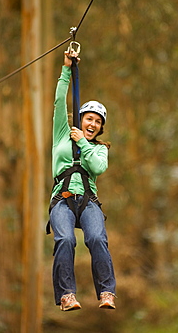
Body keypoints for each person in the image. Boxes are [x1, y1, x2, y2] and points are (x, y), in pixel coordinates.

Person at [48, 50, 116, 311]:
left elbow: (98, 166)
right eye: (89, 118)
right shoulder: (63, 133)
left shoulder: (99, 149)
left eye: (98, 122)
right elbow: (59, 101)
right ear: (80, 119)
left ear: (100, 128)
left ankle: (107, 292)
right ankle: (66, 295)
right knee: (65, 240)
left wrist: (84, 144)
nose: (93, 124)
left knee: (97, 238)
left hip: (88, 202)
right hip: (63, 200)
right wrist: (67, 69)